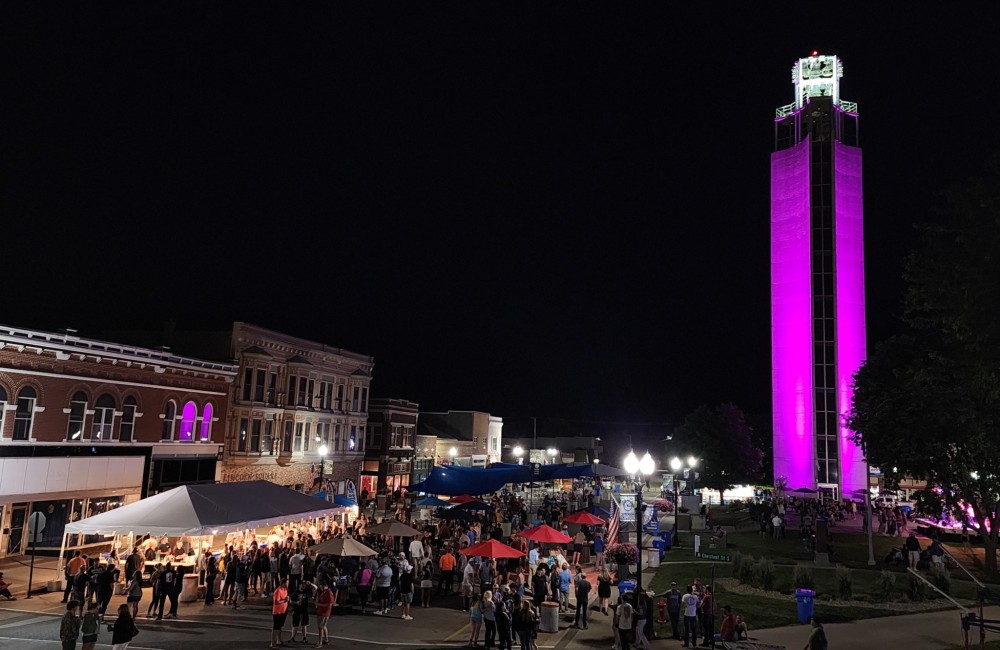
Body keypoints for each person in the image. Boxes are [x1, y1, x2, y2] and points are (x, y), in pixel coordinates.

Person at [271, 577, 290, 649]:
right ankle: (273, 643)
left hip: (283, 611)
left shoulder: (285, 590)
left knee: (279, 627)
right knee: (275, 628)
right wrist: (285, 601)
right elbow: (276, 602)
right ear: (282, 583)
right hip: (277, 612)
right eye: (286, 583)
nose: (287, 584)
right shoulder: (278, 591)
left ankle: (279, 640)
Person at [315, 580, 335, 647]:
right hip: (321, 611)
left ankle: (320, 642)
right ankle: (326, 640)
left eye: (320, 586)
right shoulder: (324, 592)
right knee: (323, 626)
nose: (320, 588)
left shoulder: (328, 593)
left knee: (320, 627)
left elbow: (329, 605)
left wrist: (319, 604)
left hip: (324, 612)